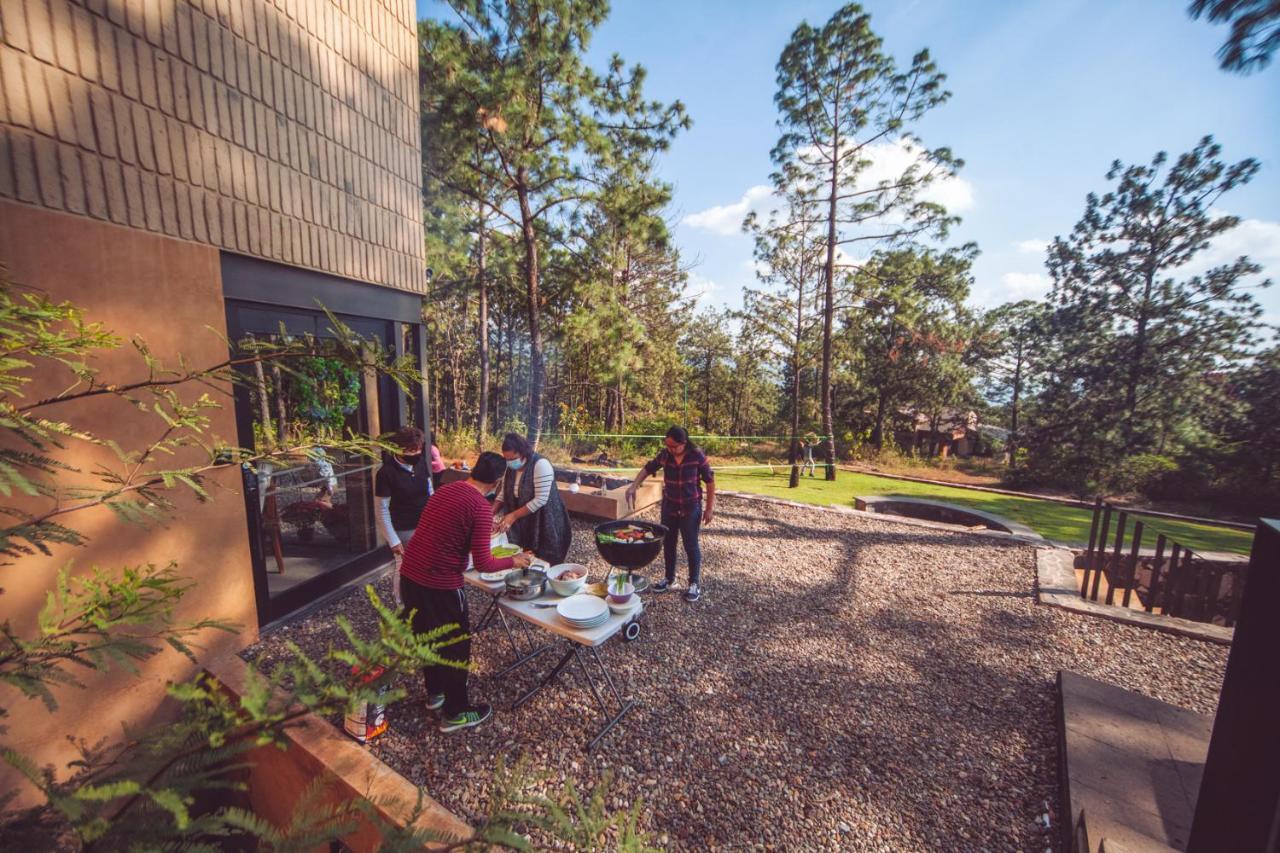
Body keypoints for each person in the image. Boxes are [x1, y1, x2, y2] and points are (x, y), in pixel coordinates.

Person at [399, 451, 532, 733]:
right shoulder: (480, 507)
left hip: (410, 576)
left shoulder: (446, 490)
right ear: (497, 481)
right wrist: (514, 560)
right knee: (455, 645)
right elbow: (484, 562)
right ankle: (456, 711)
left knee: (426, 636)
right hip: (440, 584)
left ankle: (435, 693)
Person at [624, 426, 715, 602]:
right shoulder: (665, 455)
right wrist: (633, 486)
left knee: (691, 545)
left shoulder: (696, 456)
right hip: (670, 507)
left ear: (684, 443)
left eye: (674, 446)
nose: (670, 449)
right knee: (669, 543)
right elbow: (648, 468)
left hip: (691, 508)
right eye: (667, 445)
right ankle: (669, 579)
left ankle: (693, 584)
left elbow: (710, 482)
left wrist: (709, 508)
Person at [375, 426, 434, 606]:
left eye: (418, 449)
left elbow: (430, 490)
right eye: (410, 450)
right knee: (404, 566)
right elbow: (381, 509)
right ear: (397, 449)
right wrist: (393, 540)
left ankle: (423, 599)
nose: (416, 453)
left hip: (425, 523)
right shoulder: (386, 473)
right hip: (403, 527)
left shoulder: (421, 462)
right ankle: (402, 604)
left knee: (427, 563)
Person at [493, 432, 572, 565]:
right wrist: (489, 514)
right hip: (524, 519)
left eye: (513, 459)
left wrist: (512, 516)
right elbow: (503, 493)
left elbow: (541, 499)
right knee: (524, 558)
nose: (510, 462)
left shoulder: (540, 464)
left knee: (546, 560)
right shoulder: (510, 468)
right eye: (507, 459)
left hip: (546, 519)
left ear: (524, 453)